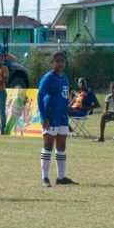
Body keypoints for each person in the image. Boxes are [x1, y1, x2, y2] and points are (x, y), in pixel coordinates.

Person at [37, 51, 77, 187]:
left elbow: (65, 96)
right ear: (52, 63)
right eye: (57, 61)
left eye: (62, 61)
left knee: (61, 146)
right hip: (51, 117)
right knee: (48, 145)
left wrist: (67, 109)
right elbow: (40, 96)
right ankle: (45, 178)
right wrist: (44, 117)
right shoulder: (48, 78)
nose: (60, 63)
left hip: (62, 118)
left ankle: (61, 177)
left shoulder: (65, 77)